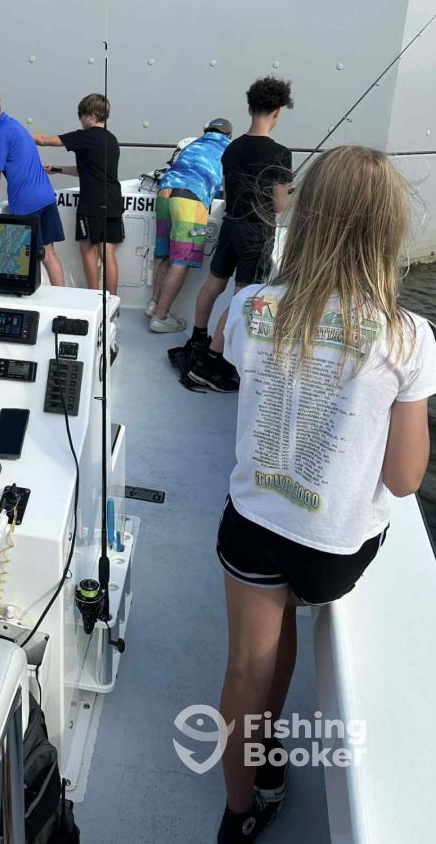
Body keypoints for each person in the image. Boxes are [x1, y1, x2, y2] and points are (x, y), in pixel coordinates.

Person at [213, 146, 436, 842]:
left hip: (254, 528)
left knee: (246, 668)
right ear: (387, 230)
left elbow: (224, 349)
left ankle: (241, 811)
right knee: (285, 622)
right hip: (332, 555)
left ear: (304, 217)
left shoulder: (250, 305)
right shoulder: (409, 336)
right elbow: (403, 479)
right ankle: (268, 742)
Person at [187, 78, 294, 392]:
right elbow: (279, 205)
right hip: (256, 233)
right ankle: (212, 361)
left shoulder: (231, 148)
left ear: (250, 108)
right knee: (242, 299)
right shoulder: (280, 153)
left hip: (230, 226)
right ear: (278, 111)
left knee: (213, 284)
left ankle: (198, 339)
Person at [0, 89, 65, 286]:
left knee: (18, 262)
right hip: (46, 197)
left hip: (26, 205)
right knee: (49, 253)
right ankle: (62, 297)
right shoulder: (12, 124)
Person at [32, 93, 124, 295]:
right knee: (107, 251)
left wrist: (17, 133)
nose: (80, 120)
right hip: (113, 200)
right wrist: (57, 169)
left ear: (91, 115)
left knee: (88, 249)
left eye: (81, 115)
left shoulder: (85, 136)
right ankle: (112, 300)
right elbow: (88, 170)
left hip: (93, 202)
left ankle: (93, 297)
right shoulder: (112, 139)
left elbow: (43, 140)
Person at [146, 118, 232, 333]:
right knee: (181, 260)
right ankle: (161, 317)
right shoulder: (229, 148)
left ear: (206, 130)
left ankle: (153, 304)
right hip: (190, 199)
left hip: (164, 193)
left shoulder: (194, 143)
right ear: (229, 135)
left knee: (166, 254)